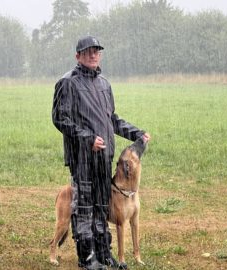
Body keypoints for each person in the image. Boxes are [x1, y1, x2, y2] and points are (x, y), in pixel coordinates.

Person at [52, 36, 151, 270]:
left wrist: (138, 134)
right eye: (87, 52)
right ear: (78, 56)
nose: (93, 55)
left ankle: (103, 253)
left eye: (96, 51)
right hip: (82, 158)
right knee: (85, 206)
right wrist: (87, 139)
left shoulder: (104, 84)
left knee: (100, 206)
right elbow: (60, 119)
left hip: (103, 160)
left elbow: (112, 120)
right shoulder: (68, 83)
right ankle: (86, 258)